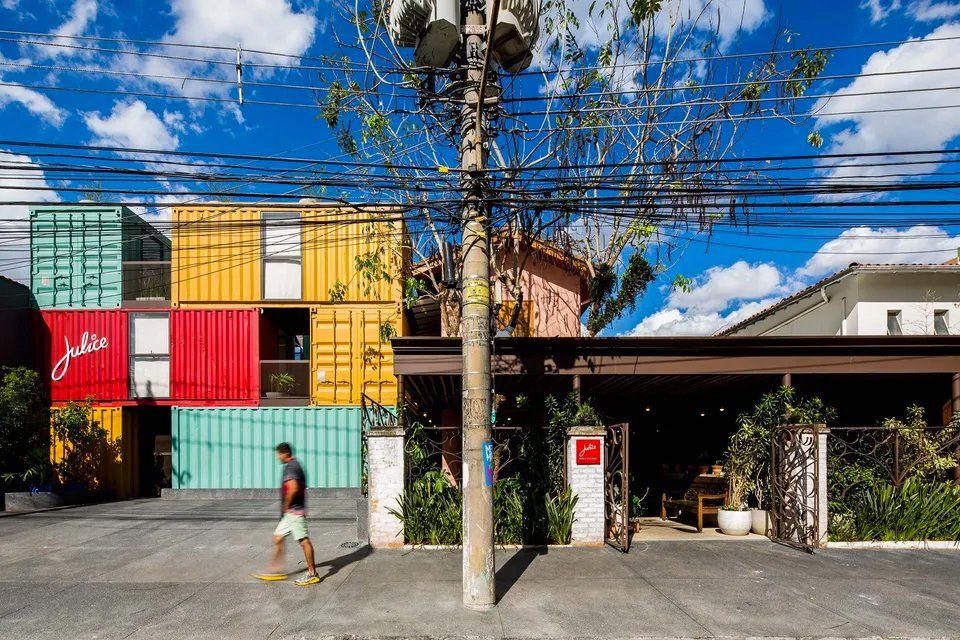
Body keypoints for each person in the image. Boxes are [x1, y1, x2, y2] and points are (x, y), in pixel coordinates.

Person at [257, 442, 321, 586]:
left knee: (304, 541)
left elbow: (293, 487)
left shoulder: (292, 466)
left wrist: (286, 506)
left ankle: (312, 573)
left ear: (284, 453)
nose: (278, 457)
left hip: (294, 512)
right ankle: (277, 571)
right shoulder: (293, 465)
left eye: (278, 454)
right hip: (290, 513)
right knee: (278, 538)